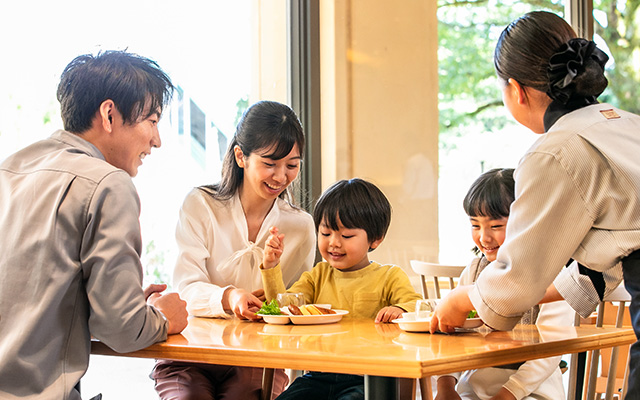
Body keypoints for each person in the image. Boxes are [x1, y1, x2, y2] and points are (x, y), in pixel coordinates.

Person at [429, 10, 640, 399]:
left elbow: (519, 273)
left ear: (515, 90)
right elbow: (604, 264)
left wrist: (464, 298)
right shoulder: (625, 124)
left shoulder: (555, 151)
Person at [0, 50, 189, 400]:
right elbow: (121, 328)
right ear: (109, 114)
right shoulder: (108, 184)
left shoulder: (10, 169)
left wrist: (124, 305)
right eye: (151, 120)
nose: (157, 140)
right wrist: (161, 318)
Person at [152, 100, 317, 400]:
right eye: (270, 163)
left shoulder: (301, 226)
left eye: (291, 165)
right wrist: (229, 297)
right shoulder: (201, 205)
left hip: (256, 358)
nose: (281, 177)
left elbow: (298, 302)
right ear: (241, 156)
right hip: (190, 352)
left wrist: (275, 289)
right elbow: (186, 287)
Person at [261, 178, 423, 400]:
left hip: (369, 377)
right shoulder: (318, 276)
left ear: (375, 239)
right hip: (318, 375)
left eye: (346, 236)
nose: (334, 243)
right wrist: (271, 267)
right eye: (325, 233)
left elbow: (417, 306)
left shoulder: (389, 277)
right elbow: (285, 307)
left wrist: (400, 309)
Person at [434, 168, 574, 400]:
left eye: (496, 226)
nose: (484, 237)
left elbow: (550, 352)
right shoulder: (474, 271)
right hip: (473, 389)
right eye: (475, 225)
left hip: (532, 391)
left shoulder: (553, 275)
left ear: (526, 221)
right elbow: (450, 340)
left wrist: (507, 395)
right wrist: (446, 386)